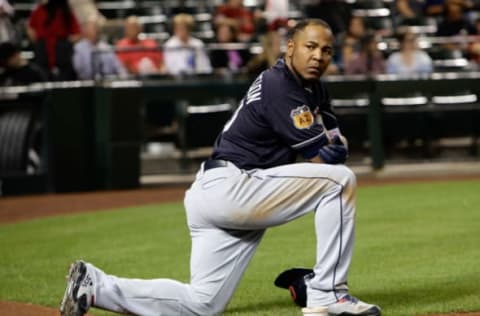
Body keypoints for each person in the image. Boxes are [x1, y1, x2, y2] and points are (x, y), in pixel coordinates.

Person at [59, 19, 382, 316]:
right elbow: (324, 157)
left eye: (326, 50)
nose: (318, 56)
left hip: (218, 190)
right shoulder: (279, 84)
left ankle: (94, 285)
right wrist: (331, 146)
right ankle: (327, 292)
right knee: (339, 182)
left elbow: (336, 144)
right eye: (310, 47)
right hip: (235, 184)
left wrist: (332, 145)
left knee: (203, 303)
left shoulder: (314, 89)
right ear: (290, 48)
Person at [27, 0, 81, 80]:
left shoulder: (66, 12)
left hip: (60, 49)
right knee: (43, 75)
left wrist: (65, 43)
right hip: (44, 48)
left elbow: (77, 34)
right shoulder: (40, 10)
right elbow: (30, 29)